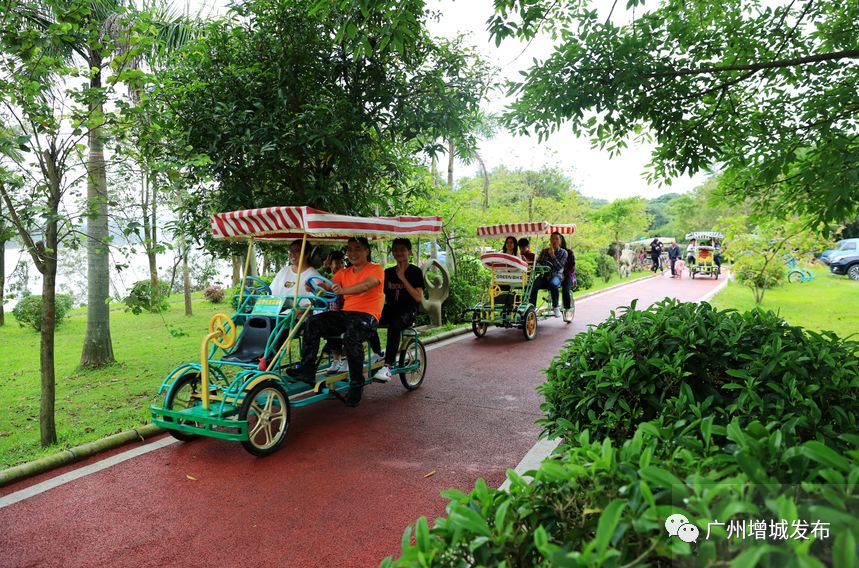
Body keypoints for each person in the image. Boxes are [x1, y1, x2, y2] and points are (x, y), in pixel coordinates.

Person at [288, 237, 383, 407]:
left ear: (367, 251)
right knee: (313, 322)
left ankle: (356, 385)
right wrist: (317, 287)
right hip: (346, 314)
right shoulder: (344, 273)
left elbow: (366, 285)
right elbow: (328, 286)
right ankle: (307, 370)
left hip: (367, 316)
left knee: (350, 337)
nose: (352, 253)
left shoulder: (375, 269)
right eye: (350, 249)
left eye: (357, 249)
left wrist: (343, 290)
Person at [371, 238, 425, 383]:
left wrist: (402, 278)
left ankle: (387, 366)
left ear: (409, 252)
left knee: (394, 326)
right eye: (395, 249)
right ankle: (377, 353)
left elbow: (418, 297)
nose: (398, 252)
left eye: (402, 249)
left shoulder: (415, 272)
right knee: (367, 320)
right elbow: (378, 293)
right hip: (390, 309)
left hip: (408, 310)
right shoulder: (387, 272)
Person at [270, 239, 321, 310]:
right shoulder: (284, 271)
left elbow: (315, 302)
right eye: (291, 251)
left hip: (299, 317)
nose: (292, 254)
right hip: (277, 313)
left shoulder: (314, 276)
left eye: (297, 251)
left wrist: (297, 312)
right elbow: (271, 293)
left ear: (307, 254)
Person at [529, 231, 568, 318]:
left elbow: (559, 267)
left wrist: (553, 256)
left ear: (560, 241)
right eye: (552, 239)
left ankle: (555, 306)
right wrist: (538, 266)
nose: (554, 241)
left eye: (556, 239)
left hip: (556, 275)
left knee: (553, 284)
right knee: (533, 285)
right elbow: (539, 262)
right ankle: (532, 308)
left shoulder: (564, 252)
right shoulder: (544, 251)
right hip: (544, 276)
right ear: (550, 240)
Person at [559, 235, 576, 321]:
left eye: (557, 239)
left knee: (565, 290)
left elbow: (571, 266)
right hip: (555, 275)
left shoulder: (569, 252)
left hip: (567, 275)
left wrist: (564, 274)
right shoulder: (549, 251)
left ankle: (568, 309)